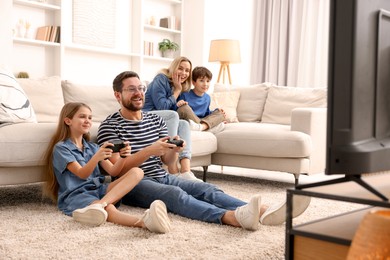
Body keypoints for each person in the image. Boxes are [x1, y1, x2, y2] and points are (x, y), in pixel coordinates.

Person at [97, 70, 311, 231]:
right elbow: (117, 170)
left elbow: (169, 164)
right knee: (176, 195)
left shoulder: (155, 119)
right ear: (118, 95)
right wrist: (149, 150)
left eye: (141, 88)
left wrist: (174, 149)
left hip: (161, 175)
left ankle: (264, 212)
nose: (138, 93)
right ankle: (230, 217)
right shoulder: (110, 126)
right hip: (133, 184)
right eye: (131, 89)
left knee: (206, 189)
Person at [43, 102, 171, 233]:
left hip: (98, 189)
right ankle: (144, 223)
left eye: (90, 118)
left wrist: (123, 157)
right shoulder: (61, 148)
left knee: (137, 172)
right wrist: (96, 158)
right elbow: (82, 174)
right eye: (82, 117)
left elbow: (113, 171)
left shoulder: (93, 147)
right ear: (68, 120)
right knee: (109, 209)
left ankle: (99, 205)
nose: (87, 121)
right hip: (77, 194)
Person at [143, 56, 200, 181]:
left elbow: (170, 108)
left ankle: (186, 171)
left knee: (184, 123)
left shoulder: (177, 85)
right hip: (146, 115)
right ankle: (172, 171)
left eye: (187, 70)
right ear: (174, 67)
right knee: (173, 115)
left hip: (160, 119)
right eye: (180, 68)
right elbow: (162, 106)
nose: (184, 73)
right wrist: (177, 91)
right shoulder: (161, 79)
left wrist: (178, 101)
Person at [176, 66, 226, 134]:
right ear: (194, 82)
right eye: (201, 81)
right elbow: (178, 111)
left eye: (208, 81)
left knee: (221, 113)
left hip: (200, 122)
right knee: (184, 107)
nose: (205, 84)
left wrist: (217, 112)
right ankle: (206, 128)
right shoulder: (185, 94)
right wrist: (179, 103)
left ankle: (201, 127)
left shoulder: (207, 97)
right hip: (191, 121)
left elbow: (206, 113)